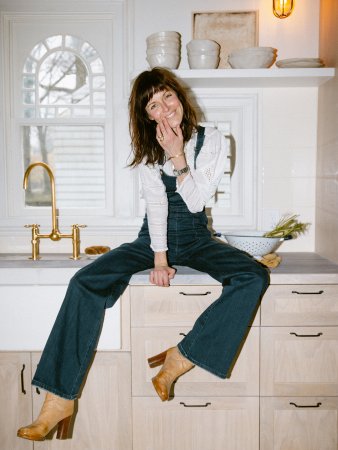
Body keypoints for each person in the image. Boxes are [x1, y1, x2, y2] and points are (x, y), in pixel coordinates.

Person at [17, 67, 270, 442]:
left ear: (179, 97)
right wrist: (160, 258)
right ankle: (58, 401)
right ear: (146, 115)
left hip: (198, 238)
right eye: (154, 104)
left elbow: (198, 203)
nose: (165, 108)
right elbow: (156, 205)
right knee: (85, 281)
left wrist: (179, 155)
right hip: (152, 238)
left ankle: (180, 357)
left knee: (254, 277)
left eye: (168, 96)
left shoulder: (212, 139)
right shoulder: (150, 152)